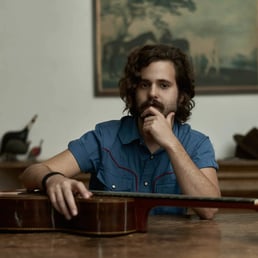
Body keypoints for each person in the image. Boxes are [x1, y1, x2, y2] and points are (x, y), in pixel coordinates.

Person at [20, 44, 221, 220]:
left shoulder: (197, 143)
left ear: (181, 96)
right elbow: (31, 173)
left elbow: (209, 209)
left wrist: (171, 143)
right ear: (133, 91)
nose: (152, 93)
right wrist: (52, 179)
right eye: (144, 84)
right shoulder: (104, 138)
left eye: (164, 85)